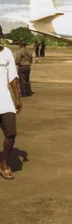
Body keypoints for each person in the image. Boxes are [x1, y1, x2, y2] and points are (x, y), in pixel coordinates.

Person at [0, 39, 23, 179]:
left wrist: (17, 97)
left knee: (11, 134)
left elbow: (13, 77)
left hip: (5, 101)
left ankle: (3, 162)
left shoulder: (6, 52)